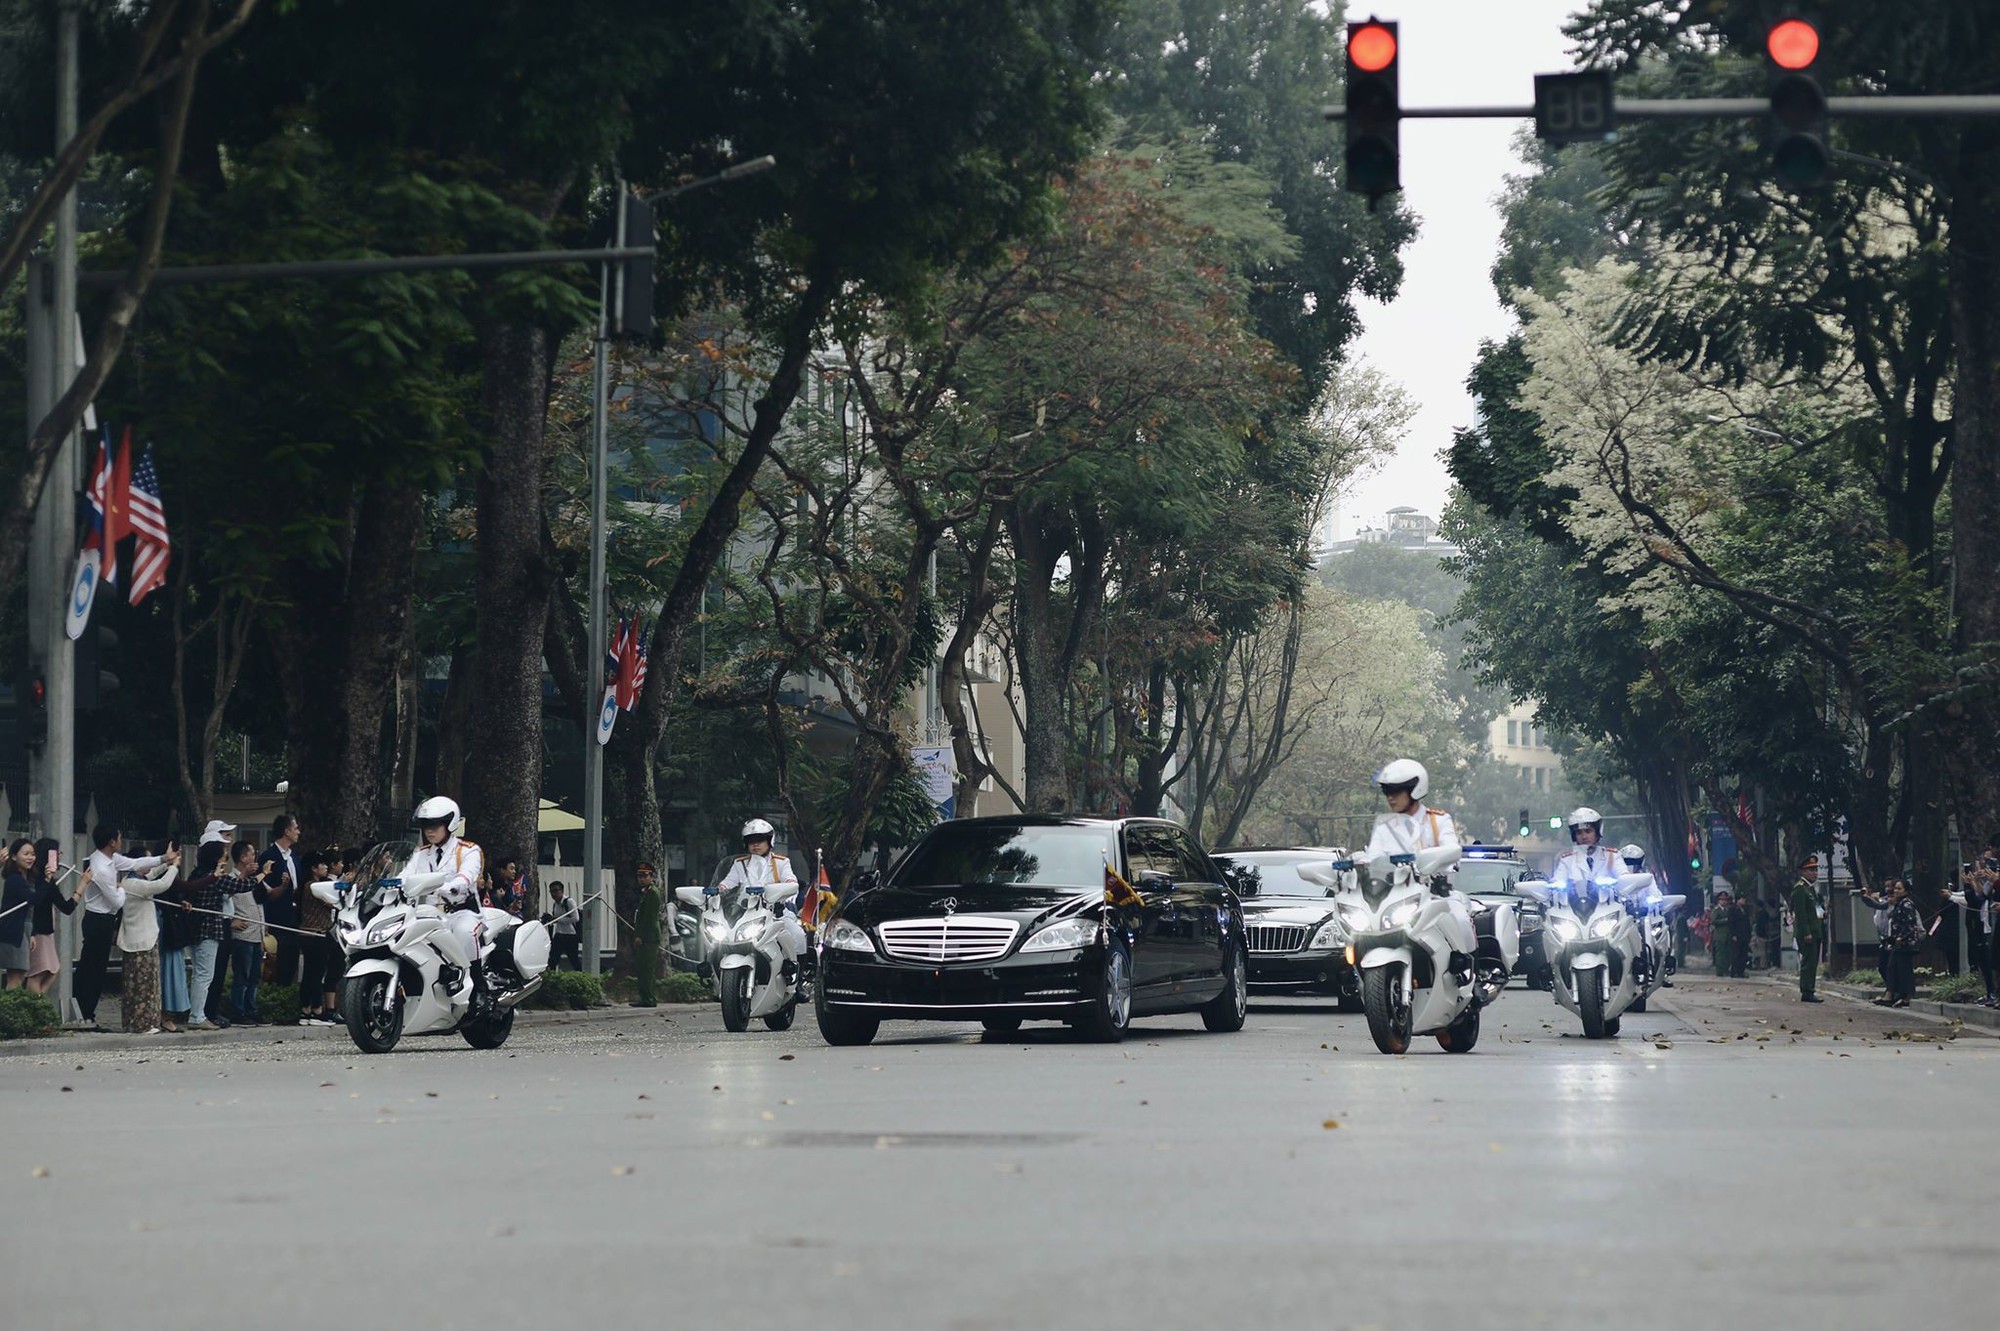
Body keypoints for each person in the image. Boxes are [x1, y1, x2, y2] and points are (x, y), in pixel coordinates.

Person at [1362, 759, 1473, 984]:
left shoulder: (1438, 819)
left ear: (1415, 789)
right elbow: (1373, 858)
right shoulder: (1385, 827)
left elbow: (1451, 849)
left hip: (1434, 893)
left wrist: (1443, 859)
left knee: (1460, 917)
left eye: (1395, 791)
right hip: (1396, 896)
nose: (1390, 797)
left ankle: (1468, 978)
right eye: (1386, 791)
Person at [76, 826, 177, 1030]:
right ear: (112, 841)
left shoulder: (108, 858)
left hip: (101, 920)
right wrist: (122, 888)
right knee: (93, 970)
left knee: (95, 968)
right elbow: (116, 901)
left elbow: (135, 862)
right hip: (99, 919)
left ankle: (88, 1013)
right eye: (119, 838)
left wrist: (163, 859)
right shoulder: (102, 868)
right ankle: (86, 1014)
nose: (121, 841)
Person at [398, 796, 488, 1004]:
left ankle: (477, 986)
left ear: (450, 824)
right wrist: (388, 886)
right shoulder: (420, 854)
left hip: (461, 912)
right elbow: (404, 875)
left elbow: (467, 875)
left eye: (435, 825)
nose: (429, 830)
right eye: (426, 825)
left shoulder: (468, 850)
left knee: (465, 933)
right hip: (430, 913)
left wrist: (454, 885)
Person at [720, 819, 808, 987]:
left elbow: (791, 881)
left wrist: (788, 887)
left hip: (775, 912)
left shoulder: (782, 862)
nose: (755, 845)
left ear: (770, 841)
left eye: (760, 840)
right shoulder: (740, 864)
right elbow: (727, 882)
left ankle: (797, 981)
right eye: (751, 841)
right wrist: (718, 890)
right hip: (744, 913)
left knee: (797, 935)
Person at [116, 849, 180, 1034]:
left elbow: (153, 873)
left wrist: (166, 862)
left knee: (135, 985)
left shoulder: (133, 880)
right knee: (144, 985)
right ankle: (143, 1024)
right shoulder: (135, 884)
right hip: (141, 941)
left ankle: (133, 1022)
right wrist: (174, 867)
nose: (151, 864)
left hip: (138, 940)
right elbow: (161, 885)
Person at [184, 841, 232, 1029]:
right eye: (223, 856)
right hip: (209, 930)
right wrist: (261, 874)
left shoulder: (195, 874)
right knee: (204, 975)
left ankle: (196, 1014)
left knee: (199, 974)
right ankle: (197, 1016)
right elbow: (240, 885)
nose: (225, 860)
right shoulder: (215, 878)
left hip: (195, 929)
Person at [224, 840, 271, 1025]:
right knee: (241, 976)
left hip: (256, 934)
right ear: (243, 858)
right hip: (242, 936)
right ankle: (237, 1011)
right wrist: (230, 922)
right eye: (251, 854)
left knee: (254, 977)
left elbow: (260, 901)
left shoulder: (256, 880)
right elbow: (225, 901)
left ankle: (251, 1009)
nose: (254, 857)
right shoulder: (231, 878)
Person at [24, 838, 78, 997]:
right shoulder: (36, 878)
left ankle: (38, 1003)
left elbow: (65, 906)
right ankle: (36, 1009)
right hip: (38, 931)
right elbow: (36, 901)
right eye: (56, 852)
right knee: (39, 971)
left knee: (52, 969)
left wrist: (83, 884)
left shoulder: (48, 880)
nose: (60, 855)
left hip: (46, 931)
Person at [295, 848, 341, 1025]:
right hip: (316, 934)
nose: (325, 868)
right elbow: (332, 904)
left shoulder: (307, 885)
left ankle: (305, 1010)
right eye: (321, 865)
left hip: (309, 934)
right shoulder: (314, 886)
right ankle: (316, 1010)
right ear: (313, 868)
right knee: (316, 972)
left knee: (309, 973)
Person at [260, 815, 304, 988]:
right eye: (295, 828)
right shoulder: (268, 856)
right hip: (276, 915)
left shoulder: (294, 857)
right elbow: (264, 890)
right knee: (278, 958)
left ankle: (286, 993)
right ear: (286, 831)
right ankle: (274, 993)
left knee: (292, 957)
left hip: (293, 914)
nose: (298, 832)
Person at [1550, 808, 1617, 909]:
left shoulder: (1612, 856)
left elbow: (1625, 879)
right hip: (1574, 910)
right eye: (1579, 833)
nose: (1584, 836)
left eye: (1588, 831)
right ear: (1574, 836)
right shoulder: (1567, 859)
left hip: (1609, 910)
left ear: (1598, 832)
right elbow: (1558, 879)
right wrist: (1554, 885)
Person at [1, 838, 40, 987]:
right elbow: (33, 899)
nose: (30, 858)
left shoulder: (28, 878)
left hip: (23, 931)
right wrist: (48, 880)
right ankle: (10, 1009)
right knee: (16, 976)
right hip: (13, 932)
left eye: (32, 854)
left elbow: (30, 911)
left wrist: (31, 933)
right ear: (14, 856)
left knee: (20, 973)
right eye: (26, 854)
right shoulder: (14, 879)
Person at [1789, 854, 1825, 1002]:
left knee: (1812, 962)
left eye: (1816, 870)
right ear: (1803, 872)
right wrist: (1806, 933)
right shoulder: (1799, 889)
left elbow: (1814, 910)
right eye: (1811, 870)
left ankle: (1809, 989)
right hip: (1808, 932)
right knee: (1808, 962)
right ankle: (1807, 991)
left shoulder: (1810, 889)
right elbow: (1801, 914)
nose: (1814, 873)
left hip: (1815, 930)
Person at [632, 862, 662, 1008]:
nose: (641, 879)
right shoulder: (646, 892)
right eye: (639, 876)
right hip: (646, 936)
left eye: (645, 876)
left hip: (649, 937)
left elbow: (649, 919)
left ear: (651, 877)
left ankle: (649, 998)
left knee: (647, 969)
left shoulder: (653, 893)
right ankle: (644, 997)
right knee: (642, 967)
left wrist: (640, 936)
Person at [543, 880, 582, 971]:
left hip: (570, 935)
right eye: (551, 891)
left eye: (556, 890)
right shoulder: (555, 904)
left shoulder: (569, 902)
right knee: (553, 959)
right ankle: (550, 978)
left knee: (574, 960)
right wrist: (550, 918)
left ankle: (581, 976)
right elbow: (556, 920)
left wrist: (557, 919)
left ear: (562, 891)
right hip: (559, 934)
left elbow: (575, 918)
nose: (554, 894)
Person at [1709, 889, 1736, 977]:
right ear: (1719, 900)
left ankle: (1726, 969)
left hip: (1728, 935)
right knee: (1720, 954)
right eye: (1722, 900)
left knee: (1727, 954)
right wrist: (1725, 920)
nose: (1724, 901)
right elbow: (1714, 921)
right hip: (1719, 935)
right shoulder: (1716, 910)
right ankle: (1720, 971)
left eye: (1725, 900)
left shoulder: (1728, 910)